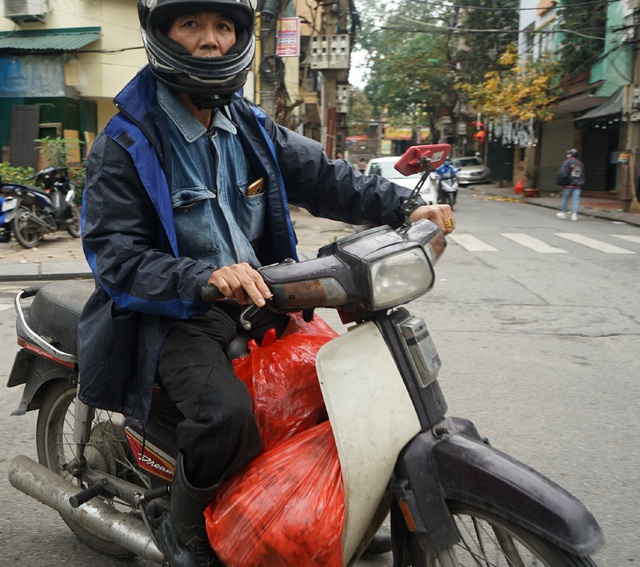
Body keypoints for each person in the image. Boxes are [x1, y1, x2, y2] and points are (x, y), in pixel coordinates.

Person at [78, 1, 456, 565]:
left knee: (344, 390)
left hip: (264, 298)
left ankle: (318, 508)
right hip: (174, 312)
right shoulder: (127, 142)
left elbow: (329, 179)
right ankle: (183, 531)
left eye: (223, 27)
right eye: (192, 25)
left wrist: (409, 206)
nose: (211, 41)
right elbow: (117, 257)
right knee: (226, 418)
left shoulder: (249, 125)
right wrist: (204, 275)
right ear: (163, 36)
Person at [556, 148, 586, 221]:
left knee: (565, 199)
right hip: (578, 185)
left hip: (568, 184)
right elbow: (583, 174)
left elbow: (563, 173)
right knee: (576, 199)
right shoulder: (580, 163)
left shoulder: (566, 162)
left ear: (571, 154)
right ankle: (574, 215)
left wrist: (561, 182)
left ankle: (564, 213)